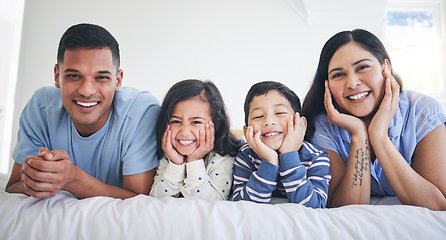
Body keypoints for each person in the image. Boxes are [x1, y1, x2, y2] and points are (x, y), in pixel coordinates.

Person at [5, 23, 160, 199]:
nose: (87, 91)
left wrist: (72, 180)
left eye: (101, 77)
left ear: (118, 80)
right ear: (57, 76)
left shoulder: (141, 112)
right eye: (74, 76)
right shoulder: (40, 107)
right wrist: (39, 178)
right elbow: (13, 187)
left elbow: (140, 201)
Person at [302, 29, 446, 210]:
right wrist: (359, 135)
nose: (352, 83)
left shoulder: (422, 112)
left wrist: (378, 136)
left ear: (386, 67)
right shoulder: (323, 125)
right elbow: (346, 209)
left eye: (362, 67)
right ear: (327, 85)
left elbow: (438, 206)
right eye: (338, 75)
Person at [231, 81, 331, 208]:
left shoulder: (315, 156)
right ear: (246, 132)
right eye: (258, 116)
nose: (269, 122)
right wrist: (269, 161)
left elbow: (314, 207)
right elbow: (242, 206)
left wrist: (289, 155)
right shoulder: (246, 154)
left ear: (300, 124)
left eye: (279, 113)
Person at [149, 79, 240, 200]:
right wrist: (176, 163)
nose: (185, 132)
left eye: (196, 122)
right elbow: (156, 199)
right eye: (176, 121)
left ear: (216, 124)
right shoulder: (169, 153)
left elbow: (212, 204)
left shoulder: (223, 157)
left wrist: (194, 161)